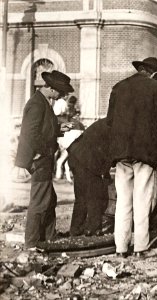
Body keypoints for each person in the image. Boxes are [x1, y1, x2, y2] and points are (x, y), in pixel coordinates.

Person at [107, 57, 157, 257]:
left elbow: (110, 120)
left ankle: (120, 248)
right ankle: (141, 247)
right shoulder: (156, 88)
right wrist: (152, 136)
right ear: (153, 73)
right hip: (145, 152)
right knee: (143, 200)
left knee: (123, 201)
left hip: (121, 153)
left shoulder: (118, 87)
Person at [14, 70, 74, 249]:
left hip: (43, 157)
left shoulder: (43, 103)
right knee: (40, 200)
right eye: (58, 91)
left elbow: (43, 128)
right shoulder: (37, 104)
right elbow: (30, 134)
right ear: (49, 87)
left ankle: (49, 237)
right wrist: (41, 152)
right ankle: (32, 244)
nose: (60, 95)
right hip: (39, 159)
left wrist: (58, 128)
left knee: (49, 199)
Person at [67, 118, 112, 237]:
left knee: (81, 197)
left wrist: (105, 171)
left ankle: (76, 229)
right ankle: (92, 229)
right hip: (88, 160)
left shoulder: (107, 122)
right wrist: (105, 171)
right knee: (96, 196)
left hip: (76, 155)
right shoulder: (117, 126)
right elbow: (111, 153)